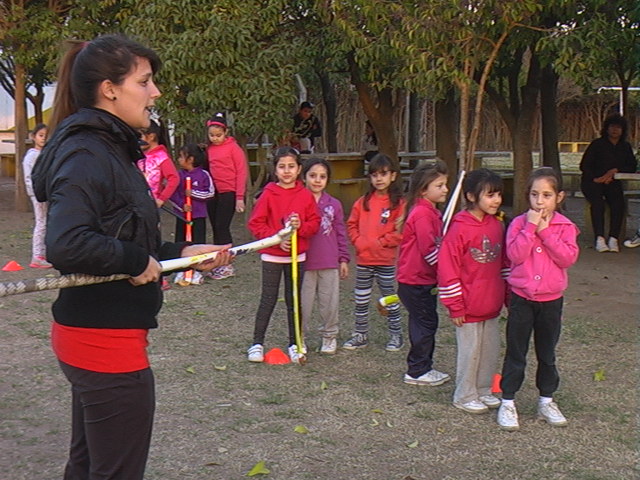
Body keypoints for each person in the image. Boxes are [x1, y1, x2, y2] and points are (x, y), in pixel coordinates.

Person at [30, 34, 231, 480]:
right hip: (104, 344)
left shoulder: (108, 148)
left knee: (87, 465)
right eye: (145, 81)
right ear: (110, 89)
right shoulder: (87, 152)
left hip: (99, 334)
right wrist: (132, 260)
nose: (154, 92)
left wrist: (180, 253)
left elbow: (123, 236)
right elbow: (67, 243)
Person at [497, 167, 579, 431]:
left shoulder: (566, 227)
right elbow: (516, 255)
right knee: (516, 352)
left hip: (551, 301)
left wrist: (546, 232)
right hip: (522, 299)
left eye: (546, 195)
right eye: (534, 195)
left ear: (559, 197)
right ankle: (507, 402)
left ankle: (546, 399)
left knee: (547, 352)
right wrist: (531, 227)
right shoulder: (519, 223)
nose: (539, 201)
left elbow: (567, 258)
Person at [438, 168, 508, 415]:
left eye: (498, 194)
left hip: (492, 303)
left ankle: (483, 388)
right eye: (490, 195)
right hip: (467, 306)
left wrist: (508, 297)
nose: (496, 200)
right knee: (470, 353)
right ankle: (464, 394)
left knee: (489, 350)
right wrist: (455, 304)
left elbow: (504, 265)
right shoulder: (458, 229)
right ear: (470, 196)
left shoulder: (498, 225)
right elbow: (448, 269)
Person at [247, 146, 320, 363]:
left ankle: (295, 343)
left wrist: (301, 228)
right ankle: (257, 344)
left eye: (291, 166)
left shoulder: (306, 195)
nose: (286, 171)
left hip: (298, 258)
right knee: (267, 299)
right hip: (272, 256)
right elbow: (256, 224)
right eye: (282, 167)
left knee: (294, 300)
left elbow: (314, 224)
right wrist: (279, 238)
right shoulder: (269, 193)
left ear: (299, 169)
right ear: (275, 170)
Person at [343, 153, 405, 352]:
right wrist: (359, 241)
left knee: (390, 298)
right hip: (364, 261)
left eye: (384, 174)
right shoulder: (362, 202)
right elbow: (351, 225)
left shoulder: (399, 204)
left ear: (393, 176)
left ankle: (396, 335)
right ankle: (360, 335)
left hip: (385, 261)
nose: (379, 179)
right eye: (375, 174)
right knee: (361, 299)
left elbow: (401, 231)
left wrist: (382, 242)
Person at [397, 160, 451, 387]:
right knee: (424, 324)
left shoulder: (429, 212)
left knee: (427, 322)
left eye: (445, 184)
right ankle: (417, 370)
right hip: (415, 280)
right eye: (439, 185)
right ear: (423, 190)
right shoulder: (422, 214)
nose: (445, 190)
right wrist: (448, 269)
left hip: (422, 280)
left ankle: (423, 366)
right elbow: (429, 250)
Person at [300, 157, 350, 355]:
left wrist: (343, 259)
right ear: (304, 177)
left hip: (329, 261)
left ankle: (329, 336)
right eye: (312, 176)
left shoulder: (334, 204)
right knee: (303, 303)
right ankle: (299, 337)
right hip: (304, 261)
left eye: (322, 176)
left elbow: (340, 232)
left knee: (329, 302)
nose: (317, 180)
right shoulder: (298, 201)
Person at [580, 113, 637, 252]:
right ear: (606, 128)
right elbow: (584, 165)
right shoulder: (597, 144)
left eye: (618, 127)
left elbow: (632, 166)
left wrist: (614, 172)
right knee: (598, 203)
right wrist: (597, 178)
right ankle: (599, 238)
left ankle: (614, 238)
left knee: (618, 204)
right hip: (592, 182)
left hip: (613, 181)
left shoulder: (625, 146)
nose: (615, 130)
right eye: (612, 127)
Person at [205, 112, 248, 279]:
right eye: (212, 135)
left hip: (228, 193)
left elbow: (241, 172)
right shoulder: (208, 149)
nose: (215, 138)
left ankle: (227, 264)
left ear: (226, 133)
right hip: (212, 193)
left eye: (218, 135)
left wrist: (239, 197)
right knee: (216, 227)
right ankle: (218, 263)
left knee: (223, 227)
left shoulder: (233, 148)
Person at [170, 143, 215, 285]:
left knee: (198, 243)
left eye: (181, 156)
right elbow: (171, 194)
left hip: (198, 216)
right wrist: (182, 206)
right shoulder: (178, 176)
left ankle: (197, 272)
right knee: (181, 243)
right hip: (182, 217)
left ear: (190, 159)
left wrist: (193, 194)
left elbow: (210, 193)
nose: (178, 159)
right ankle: (180, 270)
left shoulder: (203, 175)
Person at [22, 123, 52, 268]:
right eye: (40, 136)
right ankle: (37, 256)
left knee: (46, 222)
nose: (43, 139)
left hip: (46, 193)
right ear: (33, 137)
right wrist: (36, 193)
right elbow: (30, 178)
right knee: (42, 223)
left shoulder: (44, 155)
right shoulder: (33, 156)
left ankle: (44, 253)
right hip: (39, 194)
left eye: (46, 136)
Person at [138, 119, 179, 208]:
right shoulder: (139, 155)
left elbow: (174, 178)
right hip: (137, 202)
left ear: (151, 136)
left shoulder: (161, 157)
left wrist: (162, 199)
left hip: (152, 204)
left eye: (140, 136)